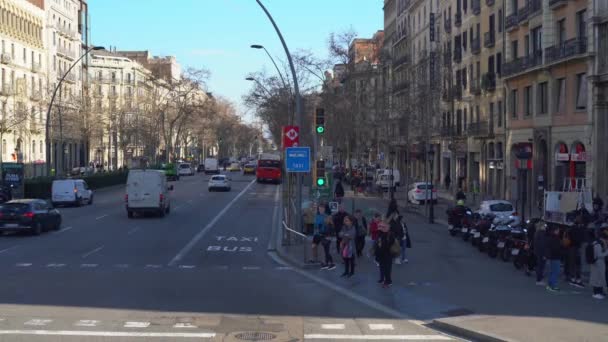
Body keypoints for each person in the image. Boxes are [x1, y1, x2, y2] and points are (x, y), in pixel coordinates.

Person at [375, 221, 396, 288]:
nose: (381, 228)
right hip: (380, 254)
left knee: (387, 269)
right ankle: (382, 279)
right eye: (380, 226)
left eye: (383, 227)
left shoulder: (390, 234)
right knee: (382, 267)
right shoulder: (379, 233)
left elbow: (387, 244)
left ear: (388, 227)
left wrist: (381, 244)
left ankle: (388, 281)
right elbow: (377, 243)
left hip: (387, 255)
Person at [565, 218, 586, 288]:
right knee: (578, 264)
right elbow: (583, 238)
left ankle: (572, 278)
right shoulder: (581, 229)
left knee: (572, 263)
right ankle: (578, 279)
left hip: (571, 247)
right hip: (578, 247)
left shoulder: (570, 229)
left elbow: (568, 237)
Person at [590, 225, 608, 299]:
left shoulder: (596, 242)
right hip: (598, 262)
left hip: (597, 262)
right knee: (598, 278)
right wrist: (607, 252)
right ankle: (596, 293)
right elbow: (599, 255)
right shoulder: (598, 244)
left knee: (598, 277)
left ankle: (598, 292)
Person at [386, 199, 406, 264]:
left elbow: (397, 219)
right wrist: (393, 216)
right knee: (395, 244)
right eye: (395, 203)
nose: (396, 204)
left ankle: (395, 257)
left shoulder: (395, 211)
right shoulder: (391, 212)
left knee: (396, 244)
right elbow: (388, 221)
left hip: (395, 230)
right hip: (394, 230)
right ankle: (395, 258)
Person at [316, 205, 336, 270]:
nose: (325, 219)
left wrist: (321, 233)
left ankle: (332, 263)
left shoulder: (330, 225)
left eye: (327, 219)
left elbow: (329, 232)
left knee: (327, 252)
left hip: (327, 238)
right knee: (326, 251)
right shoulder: (327, 224)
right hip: (325, 238)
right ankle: (327, 264)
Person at [546, 226, 563, 292]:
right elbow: (556, 248)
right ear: (555, 231)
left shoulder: (550, 237)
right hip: (556, 256)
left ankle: (550, 284)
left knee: (553, 271)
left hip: (552, 256)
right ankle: (553, 285)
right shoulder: (555, 238)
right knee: (555, 271)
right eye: (558, 230)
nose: (558, 232)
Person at [534, 221, 548, 285]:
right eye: (544, 226)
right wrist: (544, 254)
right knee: (541, 266)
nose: (545, 227)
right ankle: (539, 280)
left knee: (539, 265)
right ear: (541, 226)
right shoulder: (542, 233)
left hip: (538, 252)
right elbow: (543, 244)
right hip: (541, 252)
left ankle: (539, 279)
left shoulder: (537, 233)